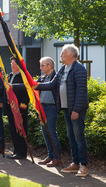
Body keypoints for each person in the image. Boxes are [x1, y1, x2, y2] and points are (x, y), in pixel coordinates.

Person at [35, 44, 89, 177]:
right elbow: (52, 84)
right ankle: (75, 163)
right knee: (71, 137)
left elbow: (81, 92)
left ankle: (84, 165)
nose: (60, 55)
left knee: (78, 137)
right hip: (67, 109)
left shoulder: (79, 69)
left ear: (71, 55)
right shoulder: (63, 69)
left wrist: (76, 110)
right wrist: (34, 85)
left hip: (76, 110)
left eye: (63, 53)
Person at [0, 57, 29, 159]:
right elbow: (2, 90)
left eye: (14, 64)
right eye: (11, 64)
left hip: (19, 110)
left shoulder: (24, 77)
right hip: (10, 109)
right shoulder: (10, 76)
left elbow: (26, 95)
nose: (12, 66)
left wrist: (22, 109)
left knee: (20, 131)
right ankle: (16, 151)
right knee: (13, 131)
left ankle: (21, 153)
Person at [36, 57, 62, 167]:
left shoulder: (56, 77)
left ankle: (57, 158)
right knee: (46, 134)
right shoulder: (42, 78)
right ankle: (50, 155)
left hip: (51, 108)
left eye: (42, 65)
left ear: (49, 66)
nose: (40, 67)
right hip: (42, 108)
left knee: (52, 133)